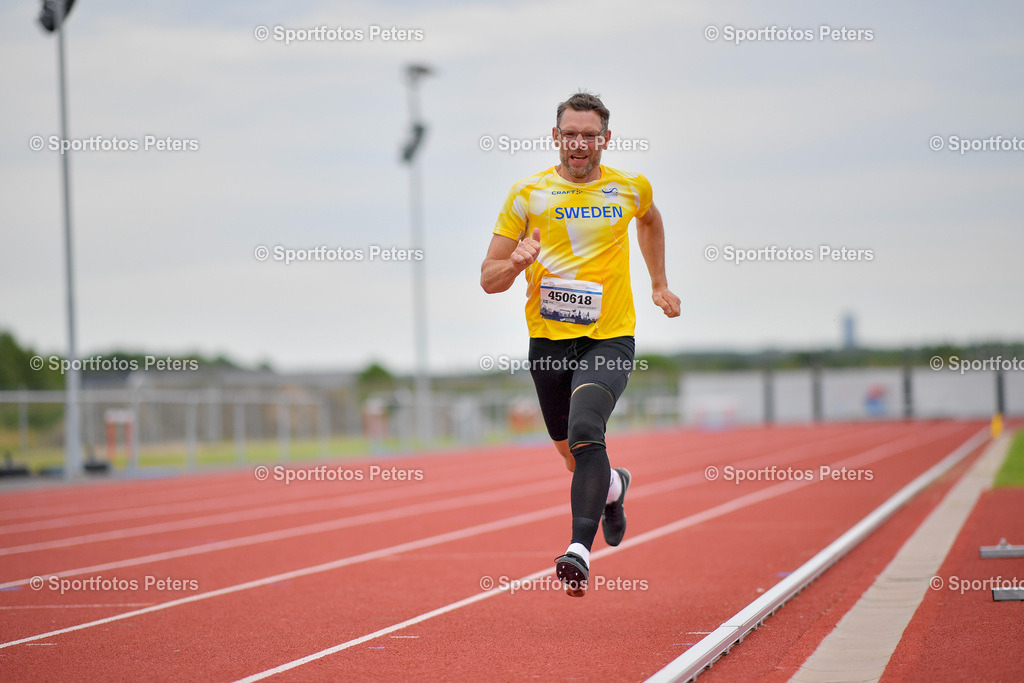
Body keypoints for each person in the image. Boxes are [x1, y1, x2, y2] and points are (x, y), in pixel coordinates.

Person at [480, 92, 681, 596]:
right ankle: (612, 487)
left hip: (609, 336)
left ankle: (578, 551)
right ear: (556, 137)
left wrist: (658, 282)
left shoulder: (630, 188)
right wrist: (517, 263)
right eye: (570, 133)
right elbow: (488, 279)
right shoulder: (526, 195)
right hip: (548, 342)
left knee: (588, 427)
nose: (579, 143)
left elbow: (651, 221)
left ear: (605, 140)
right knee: (574, 454)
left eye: (589, 135)